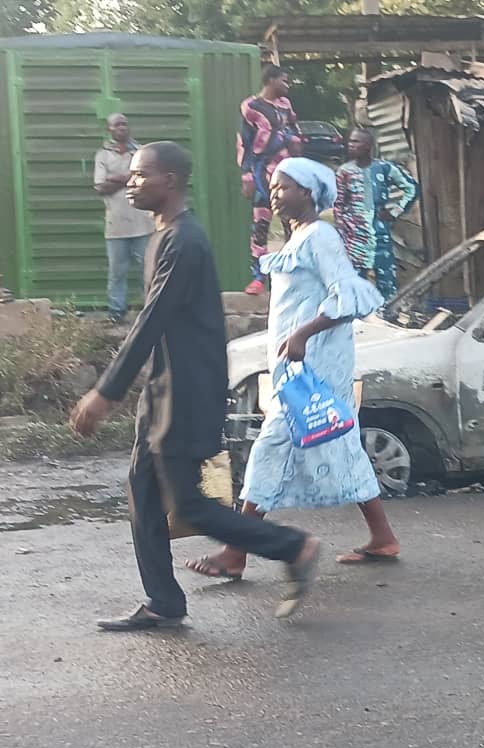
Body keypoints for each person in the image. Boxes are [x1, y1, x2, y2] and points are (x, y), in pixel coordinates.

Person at [70, 141, 321, 630]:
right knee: (142, 492)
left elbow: (150, 321)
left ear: (170, 180)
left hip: (188, 393)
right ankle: (163, 601)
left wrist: (105, 392)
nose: (131, 182)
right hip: (163, 390)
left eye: (141, 175)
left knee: (189, 505)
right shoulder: (164, 236)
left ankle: (295, 546)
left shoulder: (185, 242)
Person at [185, 157, 401, 579]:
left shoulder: (320, 236)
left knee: (270, 447)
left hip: (313, 367)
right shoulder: (299, 238)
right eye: (273, 185)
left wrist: (303, 333)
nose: (275, 193)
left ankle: (236, 550)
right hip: (299, 366)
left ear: (307, 192)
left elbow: (350, 296)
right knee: (342, 443)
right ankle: (383, 537)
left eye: (283, 186)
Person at [334, 128, 419, 301]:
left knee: (386, 281)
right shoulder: (344, 172)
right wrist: (342, 232)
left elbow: (411, 188)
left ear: (368, 146)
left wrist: (395, 211)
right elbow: (338, 205)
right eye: (350, 141)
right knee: (354, 281)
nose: (351, 145)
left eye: (356, 142)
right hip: (354, 237)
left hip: (380, 234)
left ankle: (388, 317)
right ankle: (357, 317)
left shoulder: (384, 168)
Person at [238, 64, 301, 297]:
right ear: (271, 81)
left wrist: (296, 143)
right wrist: (246, 176)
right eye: (284, 81)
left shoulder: (286, 105)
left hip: (286, 172)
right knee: (261, 224)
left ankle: (293, 275)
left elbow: (294, 129)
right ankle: (258, 277)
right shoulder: (251, 106)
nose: (288, 85)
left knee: (291, 224)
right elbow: (244, 142)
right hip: (262, 172)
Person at [93, 113, 155, 323]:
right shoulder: (103, 155)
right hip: (116, 225)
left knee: (149, 271)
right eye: (117, 125)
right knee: (117, 273)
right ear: (109, 129)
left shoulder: (140, 152)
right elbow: (100, 187)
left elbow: (146, 180)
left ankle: (150, 310)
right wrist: (128, 179)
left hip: (143, 224)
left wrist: (116, 178)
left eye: (124, 124)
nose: (122, 128)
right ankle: (116, 313)